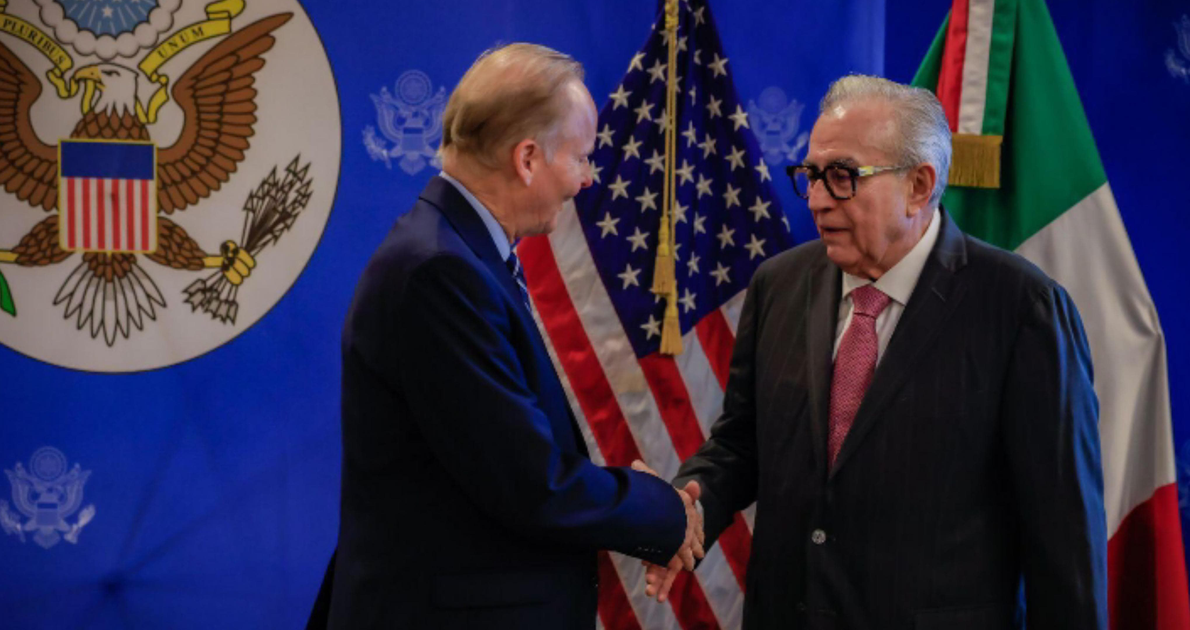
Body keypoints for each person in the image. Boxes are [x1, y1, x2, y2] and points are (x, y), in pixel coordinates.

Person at [646, 75, 1107, 629]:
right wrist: (690, 505)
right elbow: (744, 442)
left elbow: (1063, 540)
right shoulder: (779, 285)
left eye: (842, 177)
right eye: (811, 175)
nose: (816, 199)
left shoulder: (1021, 309)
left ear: (919, 185)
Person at [316, 43, 703, 629]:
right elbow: (531, 482)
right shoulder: (439, 272)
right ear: (527, 158)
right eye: (580, 158)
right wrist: (662, 510)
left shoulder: (455, 252)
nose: (586, 179)